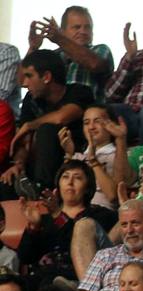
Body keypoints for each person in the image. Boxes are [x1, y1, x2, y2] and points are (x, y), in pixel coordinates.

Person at [6, 50, 96, 191]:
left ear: (47, 77)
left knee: (47, 130)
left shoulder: (80, 91)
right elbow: (24, 141)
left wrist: (30, 125)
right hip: (36, 165)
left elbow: (62, 117)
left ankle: (43, 189)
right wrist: (18, 164)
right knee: (6, 182)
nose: (24, 83)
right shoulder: (31, 99)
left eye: (29, 76)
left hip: (75, 162)